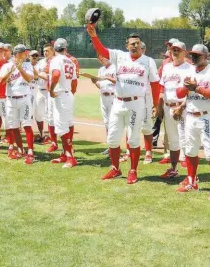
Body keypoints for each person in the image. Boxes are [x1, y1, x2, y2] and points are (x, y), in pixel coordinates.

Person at [86, 24, 160, 184]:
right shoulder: (119, 56)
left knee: (133, 139)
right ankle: (115, 168)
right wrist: (93, 36)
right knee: (112, 139)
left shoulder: (148, 61)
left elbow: (155, 84)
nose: (135, 45)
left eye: (138, 43)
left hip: (136, 104)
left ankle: (133, 171)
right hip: (118, 103)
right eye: (132, 43)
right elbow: (103, 51)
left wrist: (154, 104)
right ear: (127, 46)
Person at [175, 44, 210, 200]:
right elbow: (178, 93)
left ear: (207, 56)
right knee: (190, 150)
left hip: (206, 116)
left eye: (197, 55)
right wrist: (186, 87)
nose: (194, 57)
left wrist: (196, 89)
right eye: (192, 55)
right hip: (190, 115)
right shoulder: (189, 71)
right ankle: (191, 181)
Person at [157, 40, 192, 179]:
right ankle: (173, 169)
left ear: (184, 52)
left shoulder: (189, 68)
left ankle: (191, 174)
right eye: (173, 49)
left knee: (185, 140)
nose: (175, 52)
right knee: (172, 140)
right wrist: (159, 106)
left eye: (178, 49)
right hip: (168, 107)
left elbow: (192, 92)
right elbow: (162, 88)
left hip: (182, 108)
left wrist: (182, 106)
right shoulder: (167, 68)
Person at [0, 44, 35, 163]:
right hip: (10, 99)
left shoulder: (27, 65)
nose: (26, 54)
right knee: (14, 126)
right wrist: (10, 71)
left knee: (26, 125)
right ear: (18, 54)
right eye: (24, 52)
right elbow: (1, 81)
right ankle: (20, 149)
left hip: (24, 98)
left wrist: (20, 69)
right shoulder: (6, 66)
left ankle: (30, 152)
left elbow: (29, 79)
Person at [48, 38, 78, 168]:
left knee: (61, 127)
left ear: (54, 49)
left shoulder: (55, 60)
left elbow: (55, 75)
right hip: (68, 94)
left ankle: (70, 157)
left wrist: (51, 90)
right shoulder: (70, 61)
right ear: (66, 48)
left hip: (60, 94)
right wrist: (70, 92)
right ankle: (66, 154)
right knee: (69, 123)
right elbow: (75, 82)